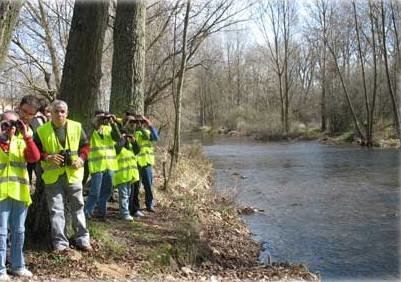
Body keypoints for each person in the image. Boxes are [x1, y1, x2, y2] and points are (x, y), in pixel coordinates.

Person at [33, 100, 92, 253]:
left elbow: (86, 146)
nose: (59, 114)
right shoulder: (41, 130)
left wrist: (81, 159)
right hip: (53, 176)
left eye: (62, 111)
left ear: (67, 113)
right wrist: (47, 157)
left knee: (78, 207)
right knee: (56, 210)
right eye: (56, 111)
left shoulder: (76, 127)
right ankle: (60, 244)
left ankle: (83, 239)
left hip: (73, 174)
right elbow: (35, 152)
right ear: (50, 113)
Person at [0, 111, 40, 279]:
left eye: (13, 124)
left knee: (19, 231)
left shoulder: (21, 142)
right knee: (1, 233)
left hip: (19, 192)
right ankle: (0, 269)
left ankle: (18, 265)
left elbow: (34, 158)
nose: (10, 127)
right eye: (5, 123)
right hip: (1, 194)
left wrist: (27, 136)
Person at [84, 111, 119, 220]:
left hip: (109, 165)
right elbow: (86, 138)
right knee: (95, 192)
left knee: (107, 192)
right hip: (97, 165)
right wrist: (95, 123)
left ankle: (101, 214)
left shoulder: (108, 129)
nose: (103, 120)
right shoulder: (91, 130)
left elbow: (118, 138)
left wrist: (113, 123)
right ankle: (86, 213)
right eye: (101, 118)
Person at [124, 114, 159, 214]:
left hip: (146, 163)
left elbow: (156, 138)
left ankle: (149, 204)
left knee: (148, 185)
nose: (139, 123)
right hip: (136, 163)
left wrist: (148, 124)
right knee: (135, 187)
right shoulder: (133, 132)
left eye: (141, 122)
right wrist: (131, 123)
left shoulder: (147, 132)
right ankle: (135, 207)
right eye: (137, 121)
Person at [112, 133, 140, 221]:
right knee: (123, 195)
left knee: (127, 195)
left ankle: (124, 212)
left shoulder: (130, 148)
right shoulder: (117, 146)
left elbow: (137, 150)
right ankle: (124, 214)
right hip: (121, 176)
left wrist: (134, 141)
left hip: (130, 175)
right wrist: (122, 140)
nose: (126, 139)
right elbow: (116, 150)